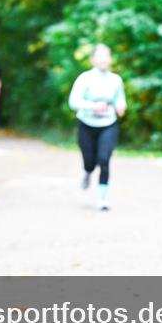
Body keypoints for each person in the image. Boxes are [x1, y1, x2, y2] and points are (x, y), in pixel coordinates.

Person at [68, 44, 127, 211]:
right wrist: (92, 106)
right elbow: (74, 102)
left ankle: (102, 198)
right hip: (86, 124)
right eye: (100, 56)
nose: (103, 59)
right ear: (93, 59)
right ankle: (87, 173)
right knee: (90, 162)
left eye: (106, 56)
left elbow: (120, 99)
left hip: (108, 124)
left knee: (104, 159)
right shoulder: (84, 78)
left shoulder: (116, 80)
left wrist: (121, 107)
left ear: (110, 59)